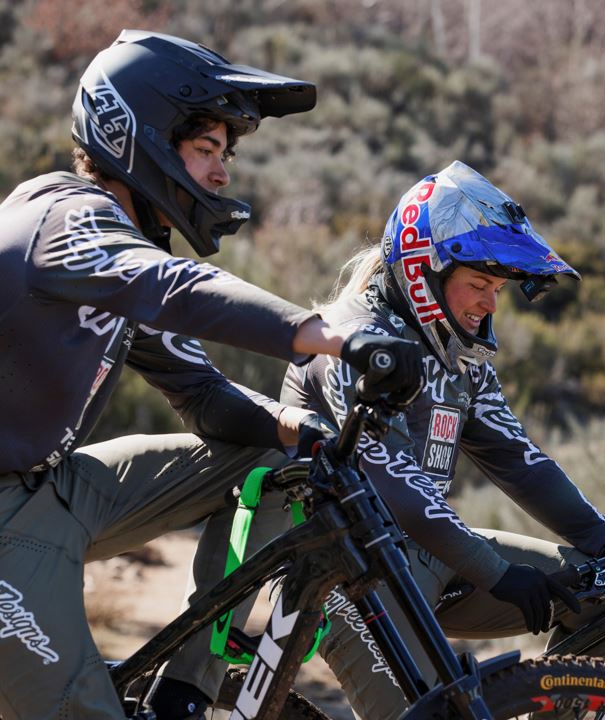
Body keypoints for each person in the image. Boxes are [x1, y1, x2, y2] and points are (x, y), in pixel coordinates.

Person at [0, 30, 423, 719]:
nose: (222, 175)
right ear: (139, 139)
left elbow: (200, 393)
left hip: (44, 491)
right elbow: (173, 286)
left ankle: (185, 690)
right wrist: (328, 335)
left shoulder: (116, 261)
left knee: (279, 460)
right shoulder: (66, 218)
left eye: (223, 155)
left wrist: (294, 430)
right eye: (206, 151)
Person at [177, 160, 605, 720]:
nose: (491, 304)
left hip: (426, 559)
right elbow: (394, 485)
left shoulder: (458, 357)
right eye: (479, 285)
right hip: (345, 579)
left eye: (497, 289)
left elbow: (523, 465)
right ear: (425, 271)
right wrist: (496, 574)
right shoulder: (349, 340)